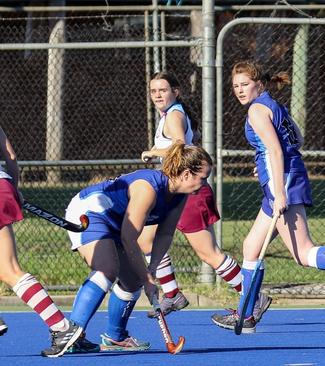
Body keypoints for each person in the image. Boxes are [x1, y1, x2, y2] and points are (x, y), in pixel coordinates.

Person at [211, 61, 325, 333]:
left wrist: (279, 189)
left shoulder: (257, 111)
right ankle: (247, 314)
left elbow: (276, 150)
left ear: (259, 83)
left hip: (281, 185)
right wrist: (263, 162)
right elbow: (296, 139)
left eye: (244, 84)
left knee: (303, 253)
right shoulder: (273, 105)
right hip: (283, 178)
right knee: (251, 247)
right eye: (235, 86)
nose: (239, 90)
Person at [139, 71, 271, 320]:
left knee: (209, 253)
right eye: (153, 91)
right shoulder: (171, 114)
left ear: (175, 91)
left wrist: (152, 151)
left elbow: (179, 144)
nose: (157, 95)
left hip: (189, 192)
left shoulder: (174, 116)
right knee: (146, 239)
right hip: (173, 192)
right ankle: (172, 294)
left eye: (163, 90)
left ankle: (253, 297)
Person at [64, 143, 211, 352]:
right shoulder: (148, 188)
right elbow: (129, 237)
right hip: (90, 212)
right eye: (203, 177)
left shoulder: (179, 195)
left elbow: (165, 233)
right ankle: (71, 335)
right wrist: (147, 278)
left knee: (132, 281)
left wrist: (151, 270)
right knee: (107, 268)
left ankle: (115, 337)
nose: (205, 184)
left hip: (116, 222)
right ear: (187, 174)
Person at [0, 126, 82, 357]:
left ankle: (62, 327)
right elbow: (11, 156)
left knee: (9, 271)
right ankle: (61, 326)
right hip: (3, 185)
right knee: (9, 268)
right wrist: (14, 188)